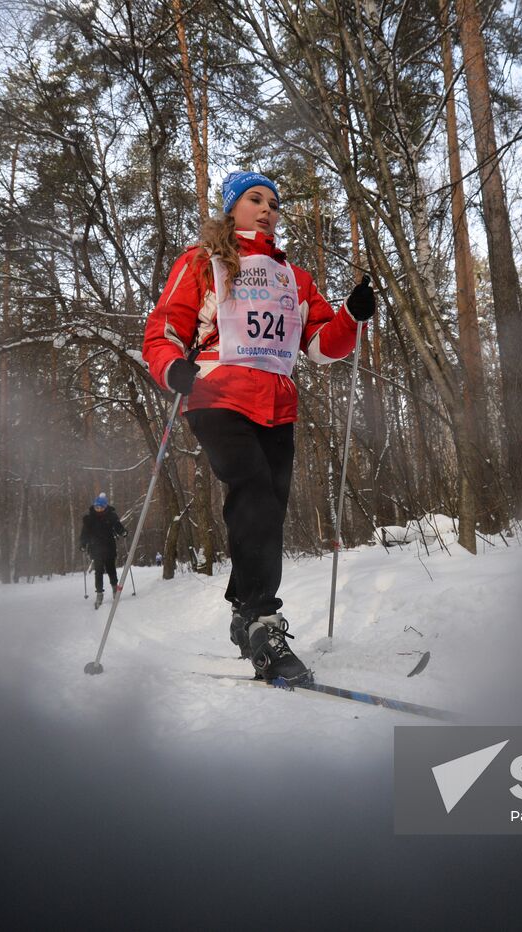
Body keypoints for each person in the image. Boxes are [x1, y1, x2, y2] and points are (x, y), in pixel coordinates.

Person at [142, 170, 374, 684]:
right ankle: (264, 623)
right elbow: (164, 329)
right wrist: (170, 366)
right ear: (232, 208)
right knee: (253, 493)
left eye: (274, 201)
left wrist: (351, 318)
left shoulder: (296, 278)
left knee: (269, 509)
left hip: (277, 403)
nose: (268, 208)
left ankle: (245, 613)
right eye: (255, 199)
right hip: (215, 392)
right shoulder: (202, 261)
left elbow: (320, 348)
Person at [80, 493, 126, 609]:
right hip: (95, 548)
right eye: (96, 507)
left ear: (105, 507)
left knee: (111, 569)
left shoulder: (111, 516)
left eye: (101, 507)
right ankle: (99, 594)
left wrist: (123, 532)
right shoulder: (89, 519)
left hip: (109, 546)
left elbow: (118, 526)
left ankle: (115, 589)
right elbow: (84, 533)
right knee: (98, 571)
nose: (98, 509)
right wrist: (83, 544)